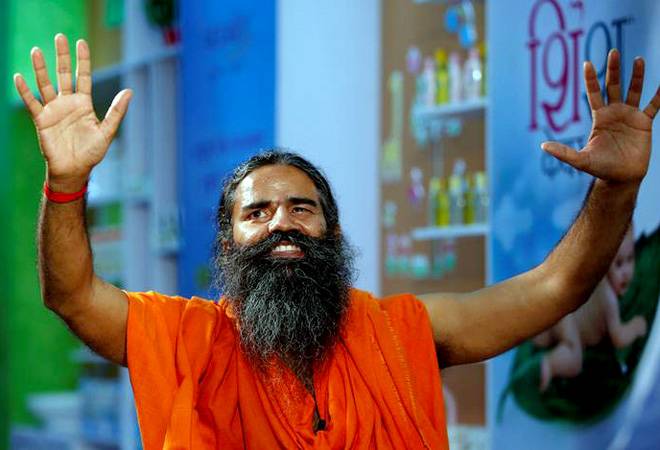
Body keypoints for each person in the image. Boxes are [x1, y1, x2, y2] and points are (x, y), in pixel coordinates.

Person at [13, 33, 659, 449]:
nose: (281, 223)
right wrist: (66, 184)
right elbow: (72, 295)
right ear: (228, 243)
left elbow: (558, 288)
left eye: (302, 208)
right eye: (257, 212)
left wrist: (617, 188)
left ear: (333, 233)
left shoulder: (399, 334)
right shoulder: (191, 341)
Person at [532, 225, 648, 391]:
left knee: (544, 336)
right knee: (574, 360)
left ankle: (543, 335)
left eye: (630, 259)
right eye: (619, 264)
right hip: (568, 320)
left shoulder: (596, 280)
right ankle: (549, 364)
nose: (626, 272)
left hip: (562, 311)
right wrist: (636, 327)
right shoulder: (608, 298)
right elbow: (618, 338)